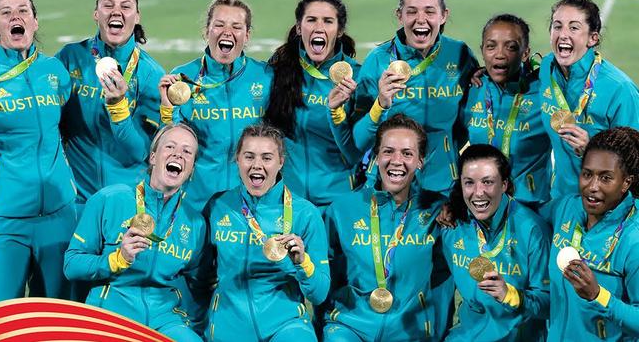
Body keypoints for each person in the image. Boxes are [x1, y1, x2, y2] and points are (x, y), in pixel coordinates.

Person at [64, 123, 210, 342]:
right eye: (170, 147)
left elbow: (199, 284)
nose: (178, 155)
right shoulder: (110, 199)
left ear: (191, 170)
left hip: (165, 319)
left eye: (187, 151)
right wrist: (116, 259)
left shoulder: (195, 223)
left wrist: (191, 324)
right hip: (111, 313)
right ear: (153, 157)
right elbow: (71, 265)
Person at [332, 0, 477, 196]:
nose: (421, 20)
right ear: (399, 15)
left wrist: (446, 155)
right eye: (411, 12)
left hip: (443, 188)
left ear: (443, 15)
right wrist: (380, 104)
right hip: (387, 185)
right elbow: (357, 143)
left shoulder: (460, 55)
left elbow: (467, 124)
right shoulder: (378, 61)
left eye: (429, 11)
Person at [323, 114, 448, 341]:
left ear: (420, 161)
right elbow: (327, 279)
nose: (396, 160)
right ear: (376, 156)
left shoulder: (438, 211)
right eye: (388, 151)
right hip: (350, 328)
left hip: (410, 332)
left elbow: (445, 280)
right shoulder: (342, 210)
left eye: (407, 153)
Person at [204, 123, 329, 342]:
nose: (257, 165)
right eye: (249, 156)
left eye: (267, 158)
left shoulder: (305, 214)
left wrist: (303, 263)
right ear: (237, 159)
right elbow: (199, 275)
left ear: (281, 162)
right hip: (228, 323)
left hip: (286, 325)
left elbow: (319, 294)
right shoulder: (218, 206)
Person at [0, 0, 77, 303]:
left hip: (59, 214)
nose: (16, 17)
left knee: (60, 317)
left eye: (23, 11)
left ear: (35, 22)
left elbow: (65, 126)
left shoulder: (54, 72)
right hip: (5, 219)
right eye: (6, 12)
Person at [55, 0, 164, 213]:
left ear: (137, 16)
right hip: (74, 201)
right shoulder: (70, 58)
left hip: (124, 204)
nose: (117, 11)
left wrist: (118, 108)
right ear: (96, 14)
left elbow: (141, 153)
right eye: (108, 5)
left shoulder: (151, 75)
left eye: (125, 6)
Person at [159, 0, 272, 215]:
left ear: (247, 35)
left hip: (249, 202)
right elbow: (169, 142)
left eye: (236, 27)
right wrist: (167, 109)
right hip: (195, 201)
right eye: (219, 25)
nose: (227, 32)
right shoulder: (183, 79)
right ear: (206, 31)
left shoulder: (266, 77)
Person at [264, 0, 362, 210]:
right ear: (299, 28)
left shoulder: (357, 79)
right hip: (288, 202)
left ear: (339, 31)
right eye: (311, 20)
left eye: (328, 21)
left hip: (339, 201)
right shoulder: (279, 72)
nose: (319, 28)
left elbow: (364, 146)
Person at [539, 0, 639, 198]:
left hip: (608, 210)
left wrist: (593, 149)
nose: (563, 34)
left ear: (593, 38)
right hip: (561, 203)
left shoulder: (620, 90)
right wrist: (477, 73)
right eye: (557, 26)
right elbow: (511, 72)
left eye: (574, 27)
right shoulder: (546, 69)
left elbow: (636, 162)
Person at [441, 144, 549, 341]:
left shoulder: (532, 230)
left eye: (488, 182)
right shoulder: (453, 226)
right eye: (469, 183)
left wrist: (512, 295)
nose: (478, 192)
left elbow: (550, 303)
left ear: (504, 184)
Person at [546, 127, 639, 340]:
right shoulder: (567, 208)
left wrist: (598, 295)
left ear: (626, 182)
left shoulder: (634, 239)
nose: (592, 187)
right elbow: (524, 215)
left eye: (606, 178)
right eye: (587, 174)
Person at [460, 14, 551, 212]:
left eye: (510, 47)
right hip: (481, 205)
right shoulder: (473, 88)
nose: (499, 54)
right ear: (482, 51)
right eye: (491, 46)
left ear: (525, 53)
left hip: (532, 208)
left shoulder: (545, 92)